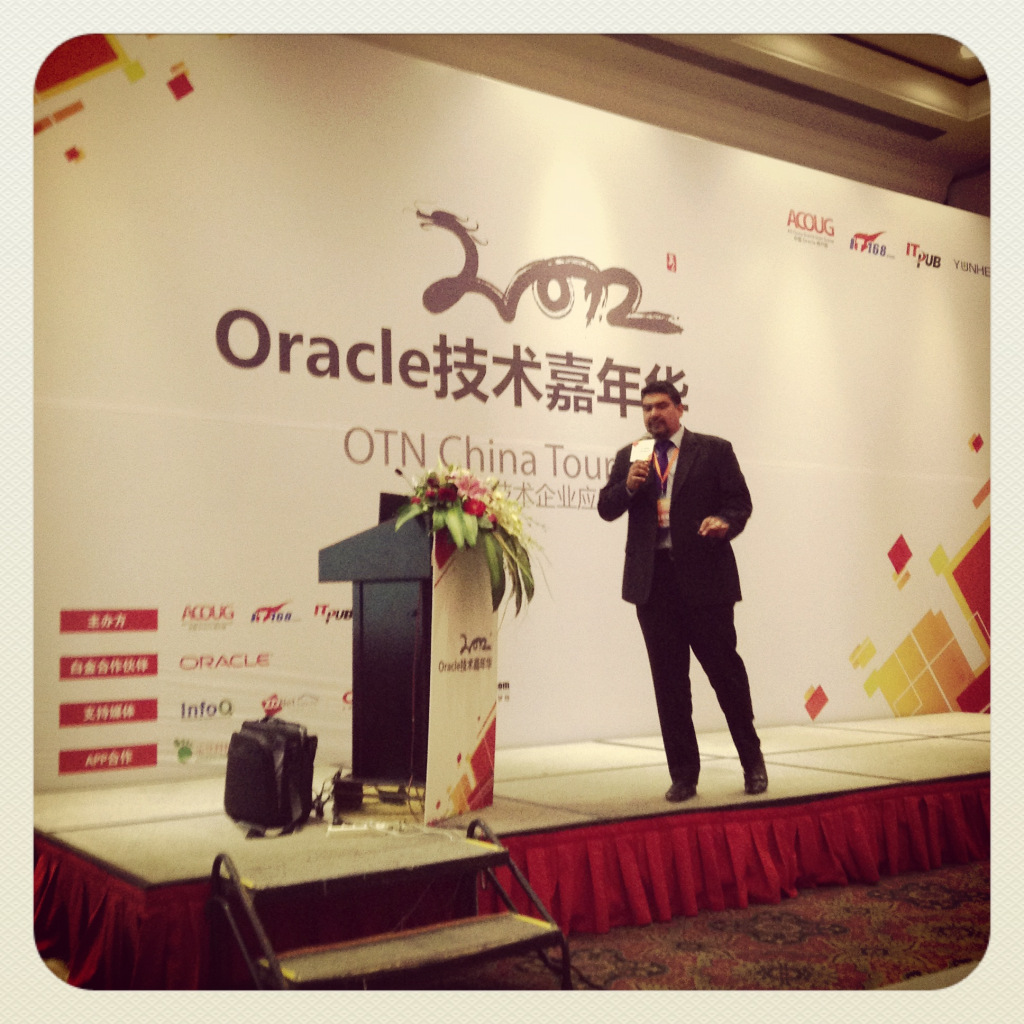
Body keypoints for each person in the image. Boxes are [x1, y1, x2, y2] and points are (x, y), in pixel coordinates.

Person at [597, 381, 767, 802]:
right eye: (646, 408)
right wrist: (629, 486)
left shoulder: (714, 451)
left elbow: (739, 503)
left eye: (661, 406)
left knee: (726, 676)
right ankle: (684, 775)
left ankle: (753, 763)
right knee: (670, 685)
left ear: (679, 408)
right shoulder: (632, 455)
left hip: (706, 582)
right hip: (654, 586)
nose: (653, 414)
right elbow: (606, 507)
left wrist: (725, 523)